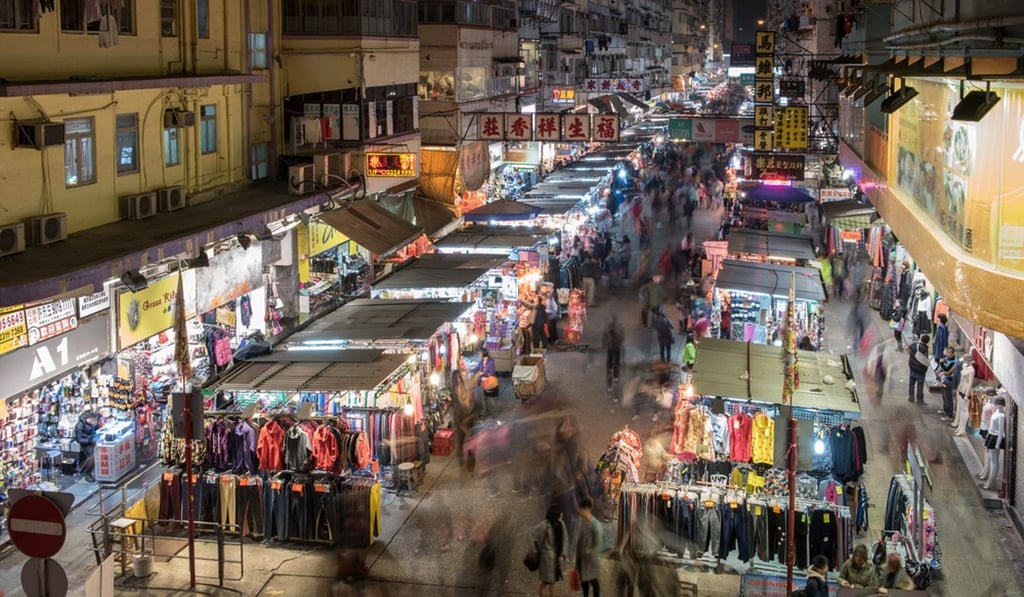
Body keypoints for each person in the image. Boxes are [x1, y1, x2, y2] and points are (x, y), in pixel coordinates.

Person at [531, 504, 569, 597]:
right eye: (560, 513)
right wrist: (538, 548)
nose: (562, 515)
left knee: (553, 583)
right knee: (545, 583)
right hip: (546, 560)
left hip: (556, 560)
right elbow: (533, 534)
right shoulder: (545, 525)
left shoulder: (561, 524)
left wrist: (563, 554)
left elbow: (565, 539)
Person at [576, 498, 603, 597]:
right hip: (582, 559)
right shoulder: (583, 523)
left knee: (594, 582)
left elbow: (597, 544)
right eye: (580, 509)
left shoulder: (595, 525)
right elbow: (579, 542)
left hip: (590, 561)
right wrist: (577, 561)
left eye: (583, 509)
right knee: (584, 582)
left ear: (589, 509)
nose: (581, 512)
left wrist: (591, 560)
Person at [75, 411, 100, 483]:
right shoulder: (79, 426)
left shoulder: (93, 424)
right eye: (94, 420)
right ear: (89, 419)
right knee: (93, 455)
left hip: (93, 440)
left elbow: (96, 430)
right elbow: (79, 439)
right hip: (86, 443)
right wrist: (90, 440)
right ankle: (87, 473)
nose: (95, 422)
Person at [936, 346, 960, 420]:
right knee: (944, 396)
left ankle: (949, 415)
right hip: (943, 380)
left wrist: (942, 364)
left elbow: (947, 370)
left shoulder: (954, 362)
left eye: (949, 353)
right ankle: (945, 410)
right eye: (947, 352)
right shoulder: (946, 359)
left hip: (949, 382)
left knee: (948, 398)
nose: (947, 354)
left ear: (953, 354)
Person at [907, 333, 930, 403]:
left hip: (912, 367)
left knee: (911, 383)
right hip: (920, 370)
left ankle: (911, 397)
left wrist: (912, 357)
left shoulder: (914, 345)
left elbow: (908, 350)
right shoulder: (925, 349)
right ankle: (919, 399)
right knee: (920, 385)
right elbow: (925, 360)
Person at [474, 348, 498, 416]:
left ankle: (494, 412)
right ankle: (485, 412)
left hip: (490, 383)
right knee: (483, 398)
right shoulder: (481, 362)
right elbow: (476, 368)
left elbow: (492, 373)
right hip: (482, 383)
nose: (479, 355)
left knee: (491, 399)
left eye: (480, 353)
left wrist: (484, 374)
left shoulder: (491, 362)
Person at [604, 315, 623, 389]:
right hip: (616, 347)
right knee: (616, 362)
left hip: (611, 347)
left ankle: (610, 371)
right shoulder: (619, 328)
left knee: (611, 359)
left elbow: (605, 336)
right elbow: (621, 337)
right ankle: (615, 376)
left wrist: (605, 344)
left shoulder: (609, 329)